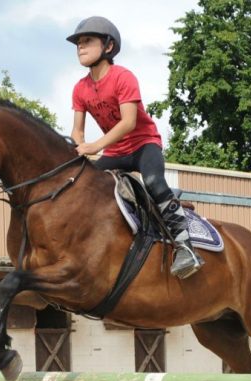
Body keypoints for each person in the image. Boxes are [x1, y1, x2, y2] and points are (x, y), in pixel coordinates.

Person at [67, 16, 204, 279]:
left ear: (108, 46)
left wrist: (95, 145)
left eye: (87, 41)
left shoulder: (123, 77)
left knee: (153, 181)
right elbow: (77, 130)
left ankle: (185, 247)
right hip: (116, 152)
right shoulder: (80, 88)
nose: (80, 47)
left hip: (143, 145)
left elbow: (129, 122)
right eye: (78, 43)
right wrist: (78, 146)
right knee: (85, 184)